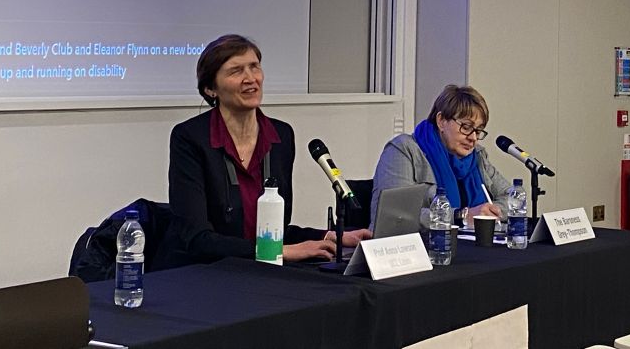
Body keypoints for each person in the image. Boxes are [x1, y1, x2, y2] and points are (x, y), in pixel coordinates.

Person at [154, 34, 370, 267]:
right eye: (236, 71)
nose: (250, 78)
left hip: (259, 271)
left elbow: (274, 231)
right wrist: (279, 251)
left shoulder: (280, 136)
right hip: (201, 273)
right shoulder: (190, 138)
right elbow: (197, 240)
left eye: (254, 67)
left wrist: (329, 236)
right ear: (210, 89)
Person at [370, 84, 510, 230]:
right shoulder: (404, 150)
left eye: (478, 130)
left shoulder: (477, 157)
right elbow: (397, 214)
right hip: (413, 247)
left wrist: (490, 212)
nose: (473, 138)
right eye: (466, 127)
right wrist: (461, 216)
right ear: (441, 121)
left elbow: (513, 197)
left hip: (467, 246)